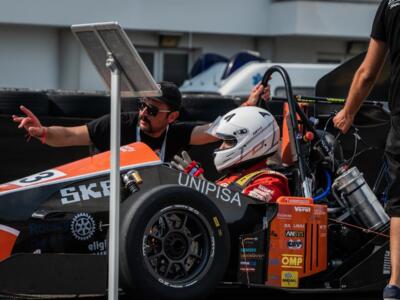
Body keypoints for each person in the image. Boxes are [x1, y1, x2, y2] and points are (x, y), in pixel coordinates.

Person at [12, 81, 270, 162]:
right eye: (142, 106)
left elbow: (216, 130)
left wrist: (248, 105)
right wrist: (42, 131)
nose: (143, 113)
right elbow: (70, 136)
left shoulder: (178, 133)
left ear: (173, 117)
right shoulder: (120, 124)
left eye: (153, 110)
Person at [332, 1, 400, 299]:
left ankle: (395, 283)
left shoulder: (390, 4)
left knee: (399, 205)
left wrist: (347, 113)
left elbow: (367, 73)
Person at [174, 106, 290, 202]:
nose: (221, 147)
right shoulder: (230, 177)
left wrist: (205, 188)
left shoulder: (270, 181)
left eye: (229, 141)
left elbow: (245, 215)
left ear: (255, 142)